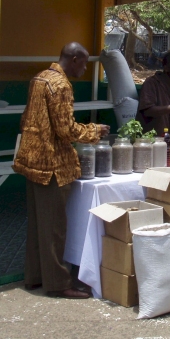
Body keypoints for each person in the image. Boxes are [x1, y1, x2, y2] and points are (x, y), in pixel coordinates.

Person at [13, 42, 110, 299]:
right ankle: (58, 283)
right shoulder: (61, 85)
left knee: (38, 226)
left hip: (33, 162)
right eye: (84, 62)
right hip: (54, 166)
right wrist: (95, 131)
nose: (85, 68)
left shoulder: (40, 78)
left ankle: (35, 277)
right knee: (55, 228)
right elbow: (66, 130)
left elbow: (26, 119)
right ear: (75, 58)